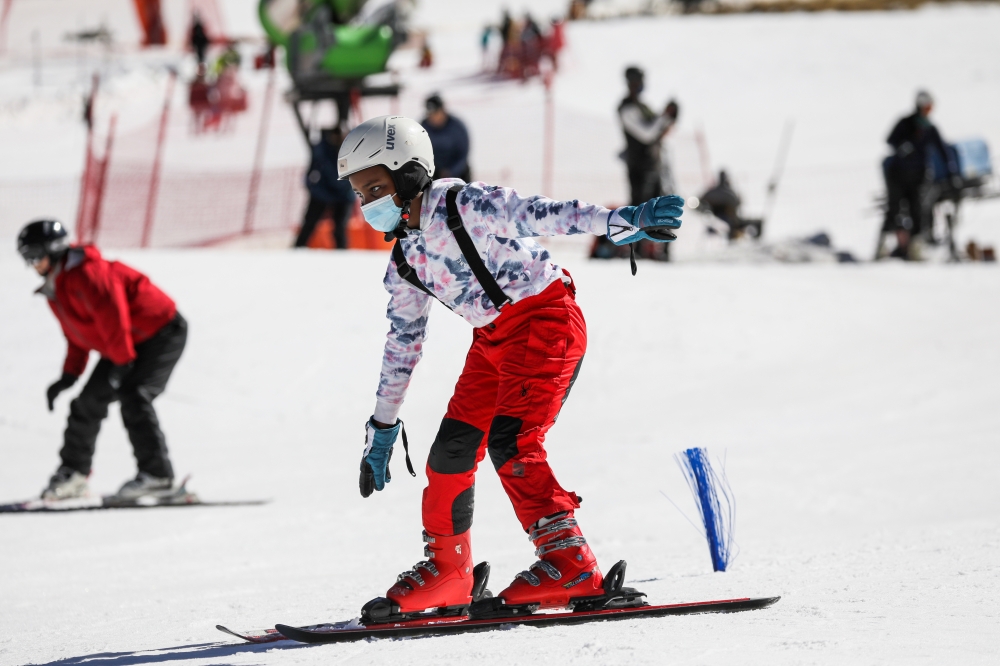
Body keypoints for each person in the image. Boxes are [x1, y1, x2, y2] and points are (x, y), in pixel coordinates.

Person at [337, 115, 682, 620]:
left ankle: (571, 563)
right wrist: (383, 423)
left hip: (546, 317)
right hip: (493, 339)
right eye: (359, 193)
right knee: (450, 453)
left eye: (376, 186)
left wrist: (619, 221)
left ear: (410, 173)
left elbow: (540, 213)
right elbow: (403, 343)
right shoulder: (405, 262)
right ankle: (448, 571)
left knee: (514, 441)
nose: (368, 204)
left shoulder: (464, 204)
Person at [17, 220, 187, 501]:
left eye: (34, 255)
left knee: (134, 395)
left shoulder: (88, 274)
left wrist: (122, 363)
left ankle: (158, 476)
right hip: (124, 343)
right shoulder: (56, 287)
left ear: (54, 250)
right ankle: (73, 474)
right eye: (27, 258)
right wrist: (69, 376)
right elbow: (77, 334)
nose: (31, 264)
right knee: (86, 404)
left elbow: (114, 318)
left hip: (161, 331)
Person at [881, 90, 960, 260]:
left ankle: (915, 249)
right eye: (927, 107)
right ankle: (883, 247)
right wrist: (903, 146)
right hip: (898, 176)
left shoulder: (929, 128)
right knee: (894, 210)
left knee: (917, 211)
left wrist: (952, 173)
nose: (929, 111)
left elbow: (943, 151)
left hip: (918, 177)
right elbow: (890, 140)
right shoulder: (905, 123)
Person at [295, 127, 356, 248]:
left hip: (344, 194)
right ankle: (297, 250)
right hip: (322, 193)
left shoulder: (353, 150)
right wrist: (312, 187)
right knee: (309, 225)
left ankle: (342, 256)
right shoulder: (322, 149)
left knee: (339, 229)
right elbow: (311, 170)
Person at [421, 94, 471, 182]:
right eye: (430, 113)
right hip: (432, 174)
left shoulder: (456, 127)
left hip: (458, 175)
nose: (433, 117)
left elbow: (463, 153)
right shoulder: (422, 127)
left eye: (435, 113)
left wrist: (451, 171)